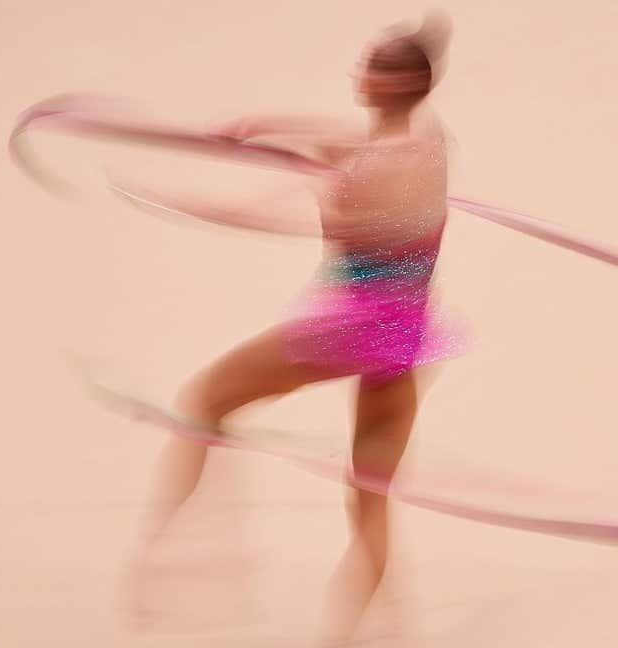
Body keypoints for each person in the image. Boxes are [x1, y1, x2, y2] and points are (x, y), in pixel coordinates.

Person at [126, 11, 456, 644]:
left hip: (350, 328)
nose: (359, 71)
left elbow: (281, 214)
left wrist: (190, 204)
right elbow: (343, 138)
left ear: (396, 84)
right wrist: (264, 126)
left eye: (373, 64)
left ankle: (178, 557)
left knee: (205, 402)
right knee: (368, 497)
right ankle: (366, 630)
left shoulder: (373, 169)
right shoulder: (429, 142)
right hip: (405, 336)